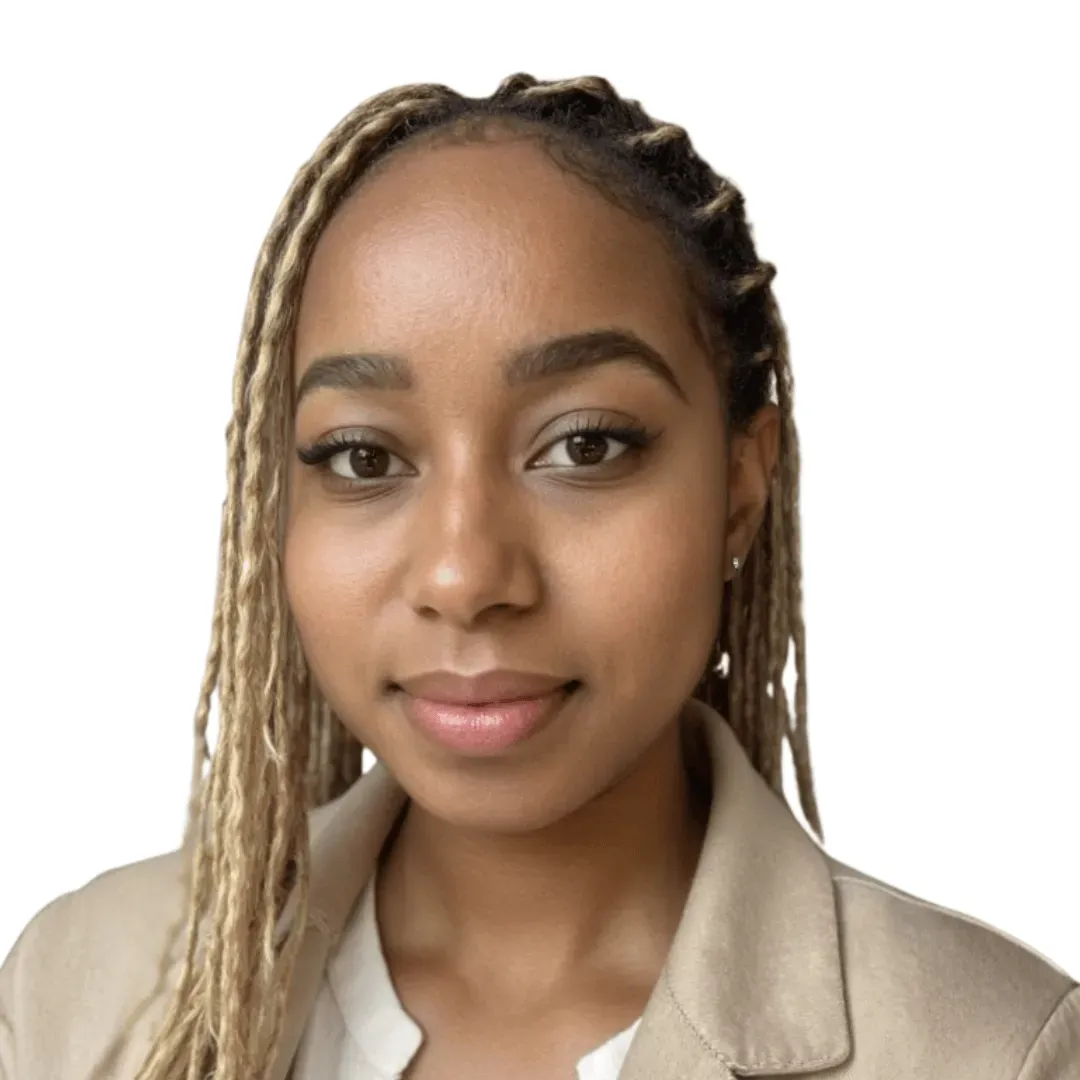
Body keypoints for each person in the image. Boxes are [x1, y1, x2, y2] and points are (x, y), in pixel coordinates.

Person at [1, 72, 1076, 1080]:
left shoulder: (988, 1052)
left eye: (586, 445)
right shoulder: (74, 995)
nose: (465, 575)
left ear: (739, 486)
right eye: (364, 458)